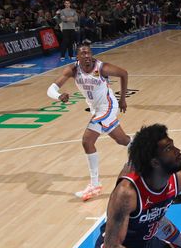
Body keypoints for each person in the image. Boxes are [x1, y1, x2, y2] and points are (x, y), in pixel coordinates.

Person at [48, 41, 132, 200]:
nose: (87, 56)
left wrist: (122, 99)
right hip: (96, 109)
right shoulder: (73, 69)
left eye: (89, 53)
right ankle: (146, 152)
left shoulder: (101, 67)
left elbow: (124, 73)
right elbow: (51, 89)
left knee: (87, 141)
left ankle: (95, 185)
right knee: (122, 140)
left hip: (107, 106)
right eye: (83, 54)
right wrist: (59, 96)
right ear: (77, 56)